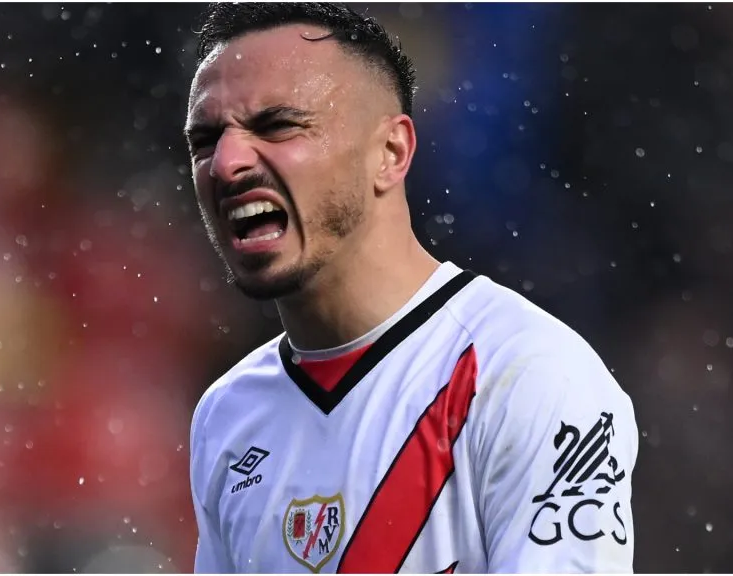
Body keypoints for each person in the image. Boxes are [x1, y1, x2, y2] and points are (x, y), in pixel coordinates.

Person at [185, 3, 638, 573]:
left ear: (391, 153)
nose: (225, 163)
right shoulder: (227, 415)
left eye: (277, 125)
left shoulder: (527, 374)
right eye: (205, 140)